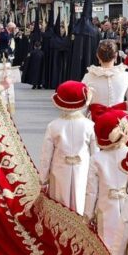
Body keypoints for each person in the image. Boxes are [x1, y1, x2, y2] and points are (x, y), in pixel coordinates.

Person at [38, 81, 97, 214]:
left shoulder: (53, 126)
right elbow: (95, 155)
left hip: (59, 171)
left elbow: (46, 156)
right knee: (81, 203)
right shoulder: (90, 125)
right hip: (83, 170)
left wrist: (43, 179)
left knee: (60, 206)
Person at [84, 110, 128, 255]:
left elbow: (91, 191)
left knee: (107, 244)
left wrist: (88, 214)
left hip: (106, 207)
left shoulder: (96, 159)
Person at [82, 40, 128, 139]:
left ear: (98, 56)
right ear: (116, 56)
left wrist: (80, 126)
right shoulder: (125, 76)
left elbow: (82, 104)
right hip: (120, 123)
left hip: (95, 122)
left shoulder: (88, 77)